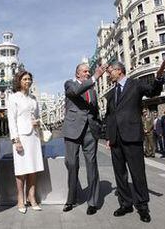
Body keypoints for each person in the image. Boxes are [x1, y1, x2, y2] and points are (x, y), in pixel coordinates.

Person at [105, 60, 165, 223]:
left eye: (110, 71)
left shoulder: (135, 84)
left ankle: (143, 207)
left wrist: (159, 78)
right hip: (116, 140)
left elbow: (153, 91)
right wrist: (109, 137)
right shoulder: (111, 93)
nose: (109, 74)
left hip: (132, 136)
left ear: (119, 71)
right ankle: (125, 204)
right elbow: (109, 117)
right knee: (120, 174)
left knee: (137, 173)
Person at [61, 63, 106, 215]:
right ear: (77, 73)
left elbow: (95, 109)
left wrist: (98, 125)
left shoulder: (92, 91)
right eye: (85, 71)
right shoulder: (70, 84)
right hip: (72, 130)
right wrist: (95, 77)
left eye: (89, 71)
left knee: (92, 165)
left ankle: (92, 201)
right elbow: (75, 92)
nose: (88, 73)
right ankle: (71, 199)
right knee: (72, 164)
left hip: (90, 131)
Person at [8, 70, 44, 214]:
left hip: (34, 137)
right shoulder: (13, 97)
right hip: (21, 137)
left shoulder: (34, 98)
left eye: (29, 79)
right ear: (19, 81)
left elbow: (39, 117)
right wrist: (15, 140)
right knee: (21, 169)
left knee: (33, 168)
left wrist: (37, 122)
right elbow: (12, 120)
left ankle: (32, 198)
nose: (27, 81)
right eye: (24, 79)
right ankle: (20, 199)